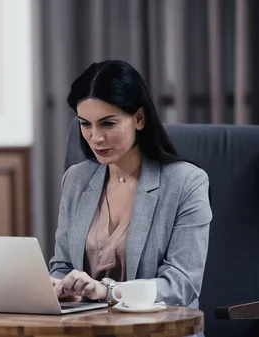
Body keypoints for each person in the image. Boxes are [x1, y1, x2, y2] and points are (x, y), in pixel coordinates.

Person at [49, 60, 212, 311]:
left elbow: (182, 284)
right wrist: (62, 287)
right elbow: (62, 266)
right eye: (85, 124)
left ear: (138, 118)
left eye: (108, 123)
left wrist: (108, 291)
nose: (96, 137)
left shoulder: (186, 183)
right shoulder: (76, 180)